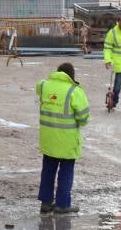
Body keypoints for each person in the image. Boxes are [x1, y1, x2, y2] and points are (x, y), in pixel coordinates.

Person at [36, 63, 90, 215]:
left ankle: (46, 203)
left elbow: (38, 85)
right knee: (66, 171)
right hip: (67, 141)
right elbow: (83, 118)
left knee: (48, 170)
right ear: (72, 76)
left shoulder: (45, 86)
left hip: (48, 139)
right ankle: (62, 204)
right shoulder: (75, 91)